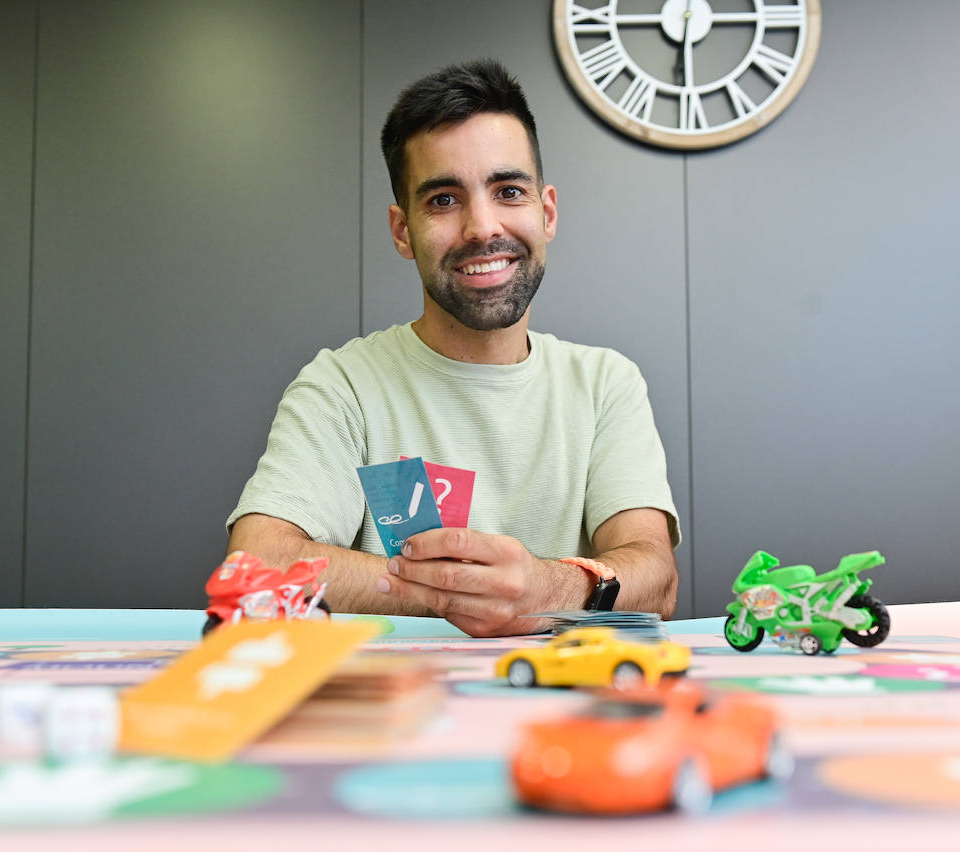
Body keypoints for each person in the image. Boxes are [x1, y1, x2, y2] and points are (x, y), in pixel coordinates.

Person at [226, 59, 679, 637]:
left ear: (547, 212)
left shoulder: (605, 383)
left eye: (508, 190)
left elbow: (655, 577)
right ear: (401, 229)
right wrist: (472, 596)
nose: (480, 227)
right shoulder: (342, 385)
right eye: (443, 200)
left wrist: (546, 588)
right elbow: (260, 565)